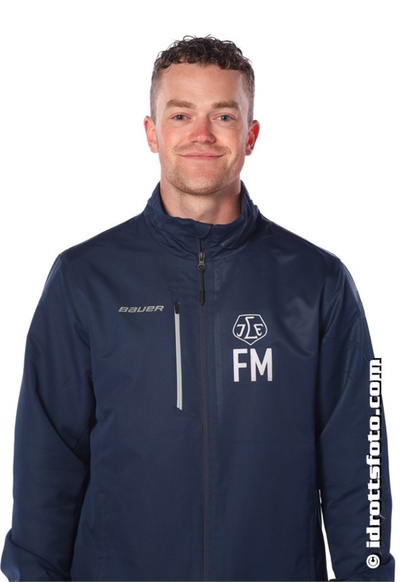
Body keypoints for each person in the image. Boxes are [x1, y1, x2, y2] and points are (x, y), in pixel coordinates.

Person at [1, 35, 394, 581]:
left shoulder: (319, 283)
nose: (202, 134)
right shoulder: (84, 278)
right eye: (181, 114)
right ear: (152, 132)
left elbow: (361, 465)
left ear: (250, 135)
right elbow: (46, 463)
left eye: (224, 116)